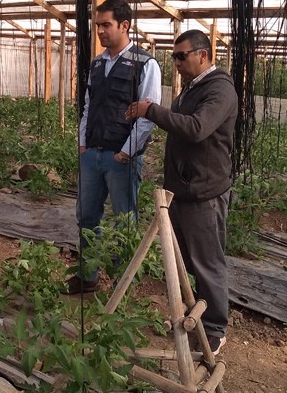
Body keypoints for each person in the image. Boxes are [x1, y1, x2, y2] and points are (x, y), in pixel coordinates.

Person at [125, 29, 237, 355]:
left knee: (208, 261)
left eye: (180, 56)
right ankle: (197, 317)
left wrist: (152, 110)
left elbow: (197, 129)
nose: (175, 62)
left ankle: (215, 330)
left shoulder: (219, 89)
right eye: (173, 56)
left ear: (202, 55)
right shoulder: (192, 88)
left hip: (204, 192)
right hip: (184, 190)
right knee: (188, 259)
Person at [66, 0, 161, 294]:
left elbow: (148, 115)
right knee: (87, 215)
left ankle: (122, 283)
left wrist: (125, 152)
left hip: (121, 158)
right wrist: (83, 144)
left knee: (124, 221)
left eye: (106, 25)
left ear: (125, 25)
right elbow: (87, 106)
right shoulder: (97, 64)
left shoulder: (145, 64)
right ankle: (88, 275)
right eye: (97, 25)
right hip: (92, 154)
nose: (101, 31)